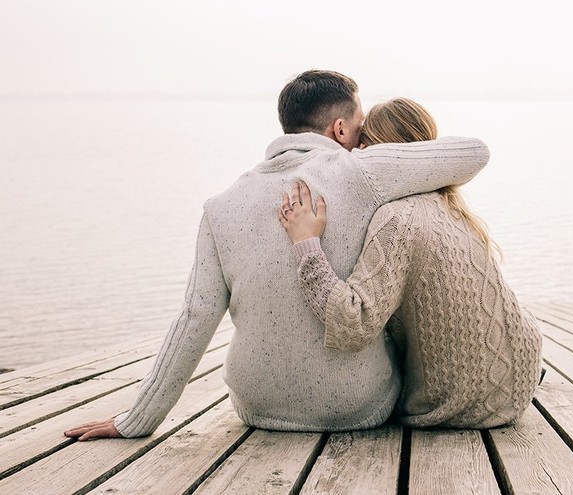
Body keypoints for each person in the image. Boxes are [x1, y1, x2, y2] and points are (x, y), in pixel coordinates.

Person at [64, 71, 490, 440]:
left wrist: (135, 420)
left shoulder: (221, 205)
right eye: (360, 131)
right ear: (341, 130)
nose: (363, 143)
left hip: (257, 408)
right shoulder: (362, 173)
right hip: (358, 408)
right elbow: (474, 152)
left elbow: (194, 318)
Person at [278, 98, 542, 428]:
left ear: (380, 152)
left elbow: (352, 325)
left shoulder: (396, 219)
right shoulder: (452, 206)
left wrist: (307, 245)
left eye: (363, 146)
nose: (355, 155)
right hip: (521, 377)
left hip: (463, 404)